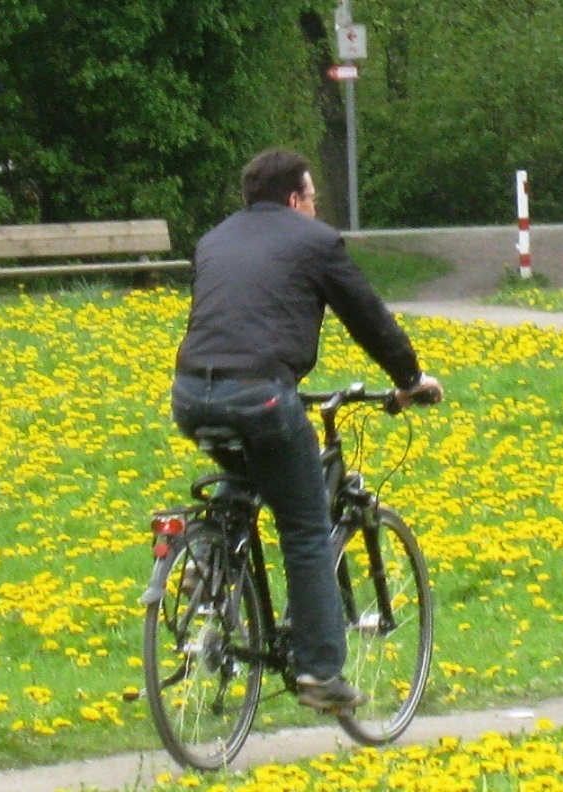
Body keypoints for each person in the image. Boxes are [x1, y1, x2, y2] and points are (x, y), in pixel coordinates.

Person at [169, 148, 444, 713]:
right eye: (313, 197)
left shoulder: (213, 240)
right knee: (304, 524)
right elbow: (368, 317)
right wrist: (410, 379)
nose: (316, 207)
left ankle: (205, 564)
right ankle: (321, 670)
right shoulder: (314, 242)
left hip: (192, 394)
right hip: (263, 395)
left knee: (249, 466)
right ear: (295, 200)